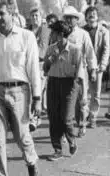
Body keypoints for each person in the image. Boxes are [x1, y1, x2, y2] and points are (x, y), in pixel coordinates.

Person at [0, 0, 41, 176]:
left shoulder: (26, 36)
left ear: (12, 14)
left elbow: (33, 69)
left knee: (22, 137)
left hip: (20, 92)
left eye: (2, 14)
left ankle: (31, 163)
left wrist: (37, 98)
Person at [43, 20, 80, 161]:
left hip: (69, 85)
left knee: (66, 119)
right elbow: (45, 70)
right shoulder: (50, 49)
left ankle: (72, 140)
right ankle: (57, 149)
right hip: (53, 83)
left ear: (60, 35)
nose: (51, 35)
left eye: (53, 32)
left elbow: (79, 71)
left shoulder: (75, 50)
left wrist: (79, 90)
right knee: (53, 118)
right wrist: (52, 58)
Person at [62, 6, 97, 137]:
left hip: (80, 73)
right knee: (66, 102)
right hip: (64, 73)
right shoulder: (61, 33)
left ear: (77, 19)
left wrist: (93, 70)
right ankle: (66, 129)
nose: (69, 20)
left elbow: (90, 53)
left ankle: (82, 124)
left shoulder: (83, 34)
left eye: (72, 18)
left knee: (81, 100)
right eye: (67, 18)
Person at [83, 6, 110, 128]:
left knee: (96, 94)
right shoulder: (81, 31)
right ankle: (84, 115)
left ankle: (93, 117)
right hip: (83, 67)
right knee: (83, 93)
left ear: (97, 16)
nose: (92, 15)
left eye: (94, 13)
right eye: (89, 13)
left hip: (98, 67)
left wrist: (103, 65)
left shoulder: (104, 31)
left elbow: (106, 49)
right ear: (86, 17)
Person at [28, 7, 50, 131]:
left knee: (37, 92)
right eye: (33, 16)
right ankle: (34, 116)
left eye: (37, 15)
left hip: (40, 65)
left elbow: (42, 48)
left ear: (41, 18)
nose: (35, 18)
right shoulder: (27, 31)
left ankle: (35, 118)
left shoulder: (44, 30)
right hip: (28, 66)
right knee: (30, 92)